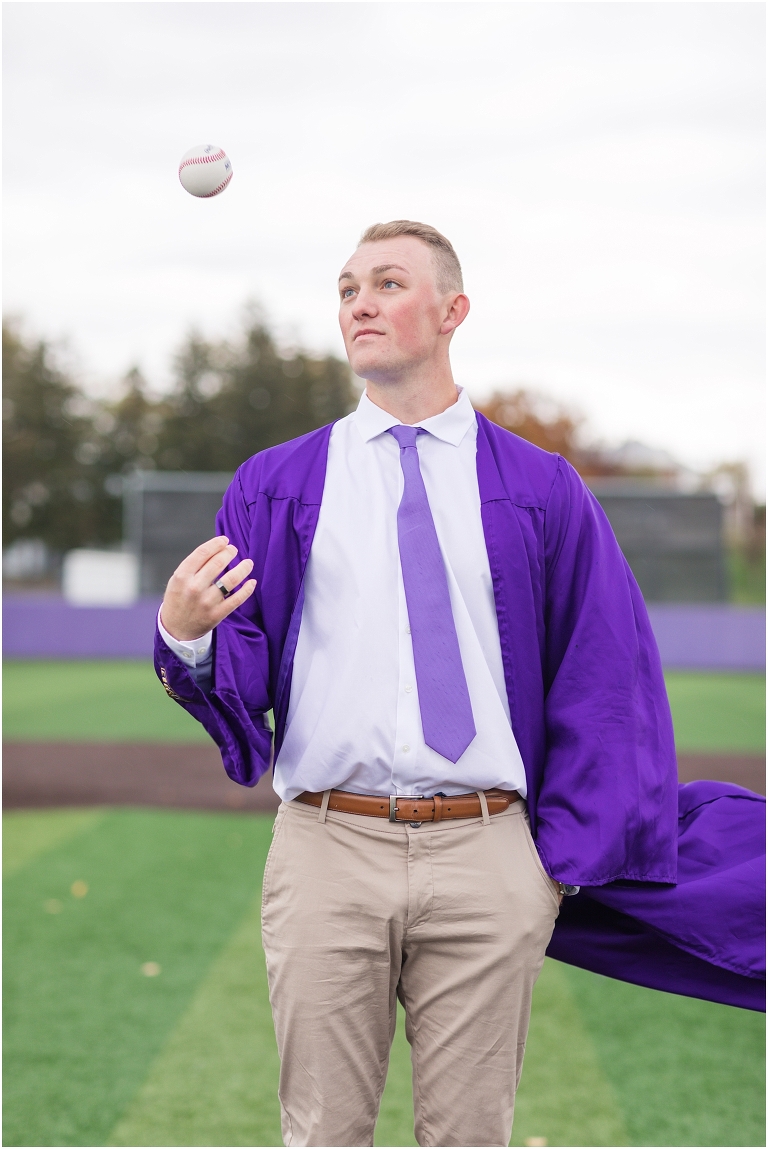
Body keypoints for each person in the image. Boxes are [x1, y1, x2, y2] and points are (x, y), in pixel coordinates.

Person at [156, 221, 764, 1148]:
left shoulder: (542, 488)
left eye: (388, 283)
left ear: (452, 311)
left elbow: (607, 679)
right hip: (328, 845)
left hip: (487, 853)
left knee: (470, 1137)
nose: (359, 301)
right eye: (348, 287)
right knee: (321, 1133)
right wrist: (184, 634)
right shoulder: (278, 483)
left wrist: (550, 865)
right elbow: (239, 656)